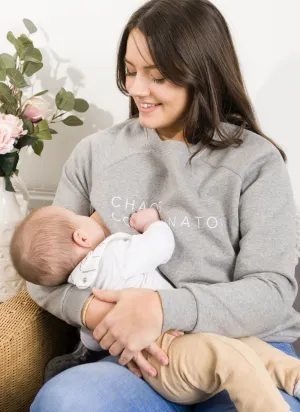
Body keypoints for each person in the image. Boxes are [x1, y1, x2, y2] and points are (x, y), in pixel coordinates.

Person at [27, 0, 300, 410]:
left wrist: (160, 308)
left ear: (201, 74)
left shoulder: (256, 163)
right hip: (135, 360)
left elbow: (272, 291)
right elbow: (44, 273)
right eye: (131, 71)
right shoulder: (95, 154)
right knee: (65, 401)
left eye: (157, 76)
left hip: (248, 352)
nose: (136, 89)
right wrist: (104, 318)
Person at [9, 205, 300, 411]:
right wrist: (152, 224)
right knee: (234, 356)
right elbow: (160, 246)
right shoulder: (114, 256)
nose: (89, 215)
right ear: (82, 238)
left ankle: (294, 378)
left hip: (156, 363)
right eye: (79, 216)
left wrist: (103, 320)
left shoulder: (81, 286)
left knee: (248, 349)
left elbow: (92, 339)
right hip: (170, 352)